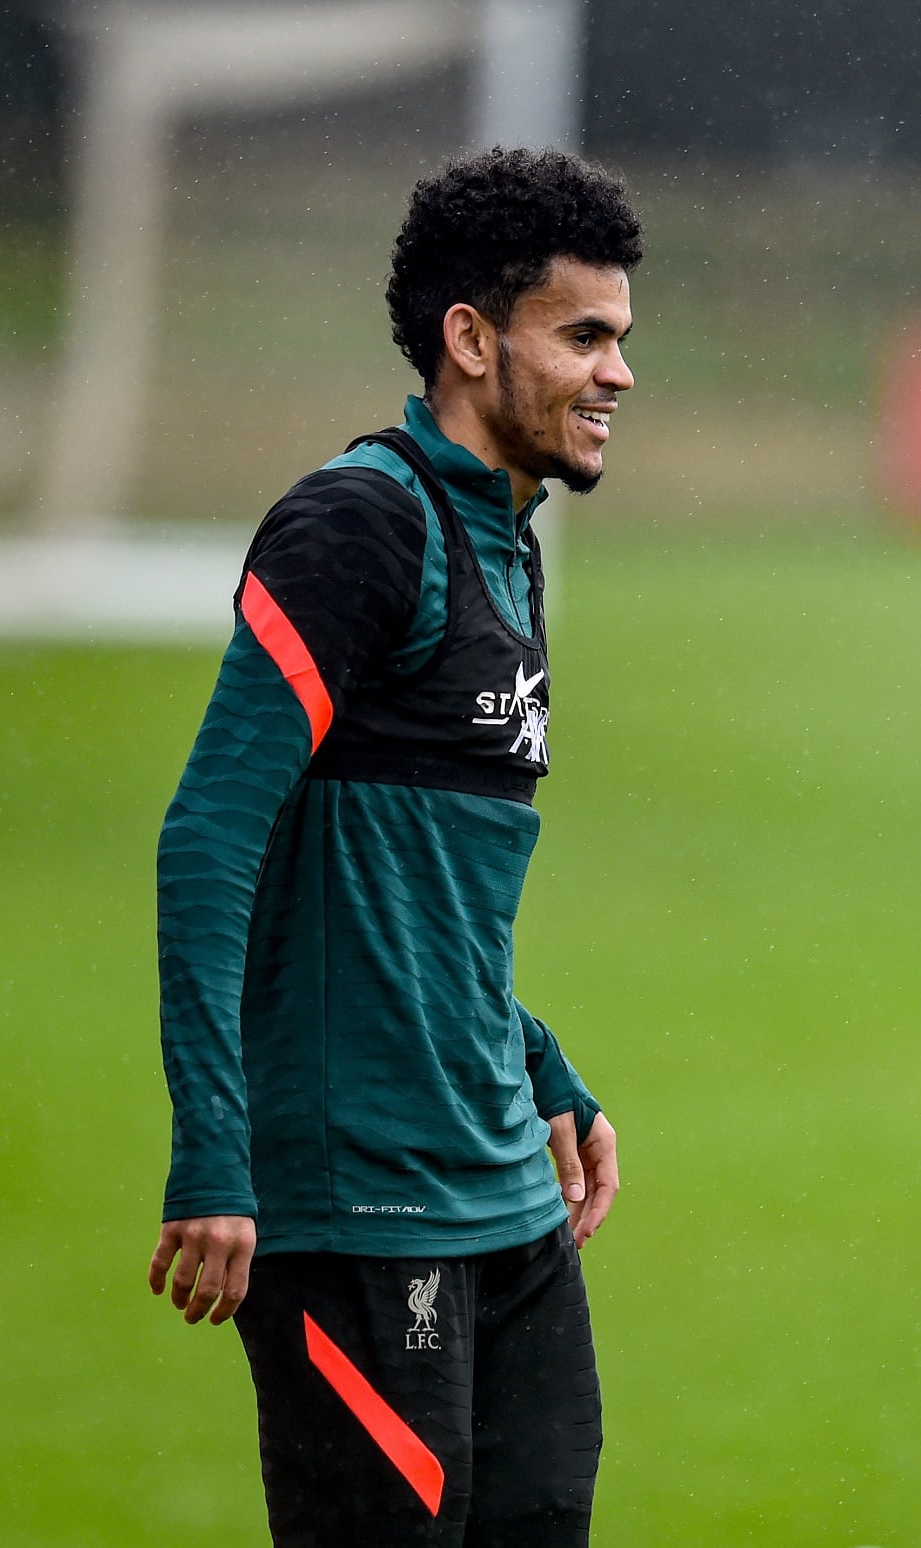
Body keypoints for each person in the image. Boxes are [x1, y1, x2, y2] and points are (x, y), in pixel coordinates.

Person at [146, 147, 643, 1546]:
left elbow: (423, 899)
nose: (616, 374)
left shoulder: (512, 545)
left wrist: (539, 1064)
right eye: (584, 335)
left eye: (621, 339)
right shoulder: (358, 526)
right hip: (360, 1209)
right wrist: (213, 1155)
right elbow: (210, 840)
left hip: (504, 1198)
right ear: (472, 341)